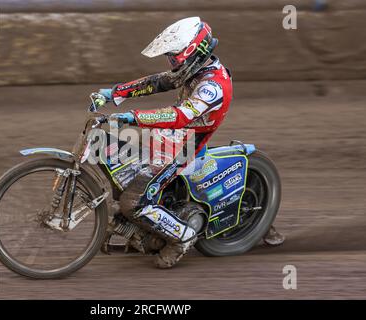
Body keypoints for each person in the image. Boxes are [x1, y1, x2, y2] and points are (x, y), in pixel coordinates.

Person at [94, 17, 284, 268]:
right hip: (168, 139)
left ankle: (181, 238)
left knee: (133, 202)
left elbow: (181, 115)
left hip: (186, 148)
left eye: (174, 57)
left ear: (193, 52)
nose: (171, 62)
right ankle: (146, 228)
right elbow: (156, 82)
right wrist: (114, 93)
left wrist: (134, 117)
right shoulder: (195, 69)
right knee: (112, 160)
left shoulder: (212, 86)